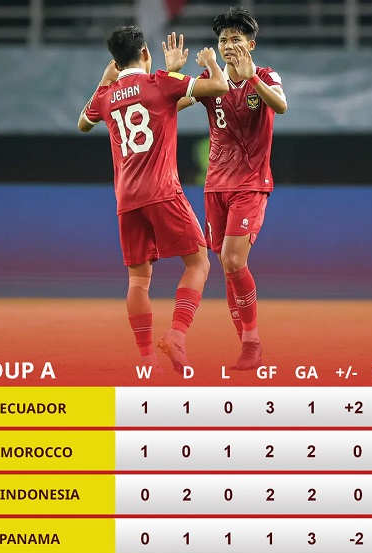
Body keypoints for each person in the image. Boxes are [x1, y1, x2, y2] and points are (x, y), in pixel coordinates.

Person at [78, 26, 228, 374]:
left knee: (138, 281)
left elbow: (84, 123)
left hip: (126, 199)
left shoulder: (107, 95)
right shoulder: (160, 82)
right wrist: (208, 63)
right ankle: (177, 334)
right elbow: (218, 86)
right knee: (199, 263)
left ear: (115, 63)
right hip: (162, 191)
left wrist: (104, 81)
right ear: (145, 53)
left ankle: (148, 361)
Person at [164, 8, 287, 370]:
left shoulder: (265, 75)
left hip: (251, 184)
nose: (228, 45)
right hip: (215, 186)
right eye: (223, 40)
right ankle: (249, 345)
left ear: (251, 45)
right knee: (227, 265)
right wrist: (172, 74)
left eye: (236, 39)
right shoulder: (211, 80)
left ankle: (252, 342)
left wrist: (253, 79)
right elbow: (169, 105)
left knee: (233, 260)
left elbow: (281, 106)